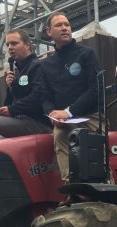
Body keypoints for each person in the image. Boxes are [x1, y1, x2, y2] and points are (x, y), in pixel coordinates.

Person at [39, 11, 106, 186]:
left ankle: (105, 187)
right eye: (59, 25)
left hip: (91, 117)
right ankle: (73, 188)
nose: (64, 28)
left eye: (67, 25)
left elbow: (96, 90)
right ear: (49, 32)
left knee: (96, 158)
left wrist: (68, 112)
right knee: (60, 133)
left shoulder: (86, 54)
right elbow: (44, 98)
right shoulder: (45, 65)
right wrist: (53, 115)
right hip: (63, 122)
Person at [0, 29, 51, 142]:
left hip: (38, 123)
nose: (10, 47)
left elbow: (38, 97)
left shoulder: (37, 66)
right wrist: (11, 86)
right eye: (8, 44)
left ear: (27, 45)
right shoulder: (18, 71)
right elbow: (9, 104)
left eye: (14, 43)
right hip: (21, 120)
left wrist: (12, 109)